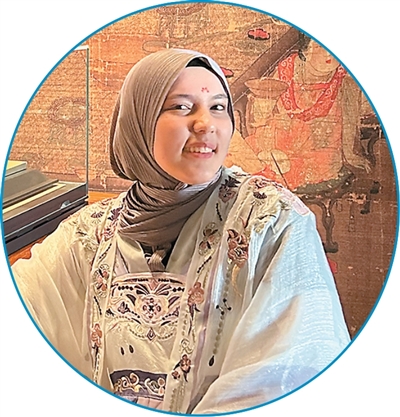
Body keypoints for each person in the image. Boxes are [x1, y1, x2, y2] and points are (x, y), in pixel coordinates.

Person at [11, 48, 350, 414]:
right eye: (182, 107)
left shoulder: (271, 221)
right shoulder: (88, 235)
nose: (206, 124)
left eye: (218, 107)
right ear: (138, 122)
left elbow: (293, 369)